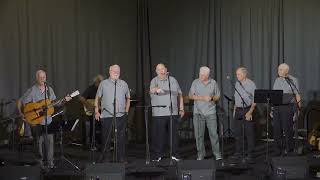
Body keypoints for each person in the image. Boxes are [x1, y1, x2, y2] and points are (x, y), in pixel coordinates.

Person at [17, 69, 71, 168]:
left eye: (44, 77)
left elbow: (55, 104)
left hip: (48, 121)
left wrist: (64, 101)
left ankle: (50, 164)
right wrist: (22, 114)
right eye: (40, 77)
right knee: (38, 144)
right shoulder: (32, 90)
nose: (42, 79)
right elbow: (21, 101)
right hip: (36, 121)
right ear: (37, 78)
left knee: (50, 143)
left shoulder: (49, 90)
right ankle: (39, 164)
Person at [94, 65, 130, 162]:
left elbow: (128, 98)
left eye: (118, 70)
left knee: (121, 139)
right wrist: (97, 111)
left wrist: (126, 111)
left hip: (120, 115)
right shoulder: (103, 83)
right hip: (107, 115)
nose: (116, 72)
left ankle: (121, 158)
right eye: (114, 70)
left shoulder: (124, 84)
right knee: (106, 138)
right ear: (110, 72)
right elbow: (97, 97)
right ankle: (106, 158)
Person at [150, 63, 184, 162]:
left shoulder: (172, 80)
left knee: (173, 135)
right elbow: (152, 90)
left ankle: (175, 154)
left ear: (166, 69)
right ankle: (157, 155)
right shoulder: (154, 80)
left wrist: (181, 108)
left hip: (172, 112)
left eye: (162, 69)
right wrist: (157, 89)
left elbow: (180, 94)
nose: (161, 71)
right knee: (159, 135)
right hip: (159, 113)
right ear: (156, 71)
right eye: (159, 69)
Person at [189, 66, 222, 160]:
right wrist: (202, 98)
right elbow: (191, 96)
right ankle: (201, 154)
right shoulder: (195, 82)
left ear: (208, 75)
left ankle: (217, 154)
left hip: (210, 112)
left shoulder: (213, 82)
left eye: (203, 75)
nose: (201, 76)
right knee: (199, 135)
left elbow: (217, 96)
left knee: (213, 134)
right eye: (200, 74)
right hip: (198, 113)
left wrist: (211, 98)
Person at [272, 63, 301, 155]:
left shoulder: (293, 80)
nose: (278, 71)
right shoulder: (277, 80)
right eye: (278, 69)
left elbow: (297, 94)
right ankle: (277, 150)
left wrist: (298, 109)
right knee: (277, 130)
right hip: (277, 107)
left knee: (288, 129)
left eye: (280, 69)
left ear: (286, 71)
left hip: (287, 107)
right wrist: (272, 109)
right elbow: (274, 95)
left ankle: (289, 150)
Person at [232, 67, 256, 161]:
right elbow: (236, 98)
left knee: (249, 133)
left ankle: (250, 154)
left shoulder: (251, 84)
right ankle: (238, 152)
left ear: (244, 75)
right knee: (238, 133)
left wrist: (250, 112)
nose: (237, 76)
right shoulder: (237, 83)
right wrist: (234, 110)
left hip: (247, 109)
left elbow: (255, 99)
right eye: (236, 74)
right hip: (238, 110)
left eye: (239, 74)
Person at [79, 74, 104, 146]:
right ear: (96, 82)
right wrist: (88, 105)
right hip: (92, 111)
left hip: (101, 110)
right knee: (94, 123)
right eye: (99, 82)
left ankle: (101, 142)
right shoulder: (91, 88)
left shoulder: (103, 89)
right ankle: (93, 142)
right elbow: (81, 98)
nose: (100, 84)